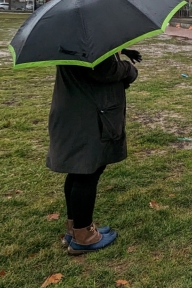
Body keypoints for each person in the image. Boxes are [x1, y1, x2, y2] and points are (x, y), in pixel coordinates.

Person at [47, 48, 140, 254]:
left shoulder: (71, 36)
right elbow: (104, 69)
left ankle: (77, 228)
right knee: (87, 172)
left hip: (76, 109)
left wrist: (121, 50)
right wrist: (128, 69)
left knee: (78, 170)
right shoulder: (87, 39)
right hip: (86, 116)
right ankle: (84, 236)